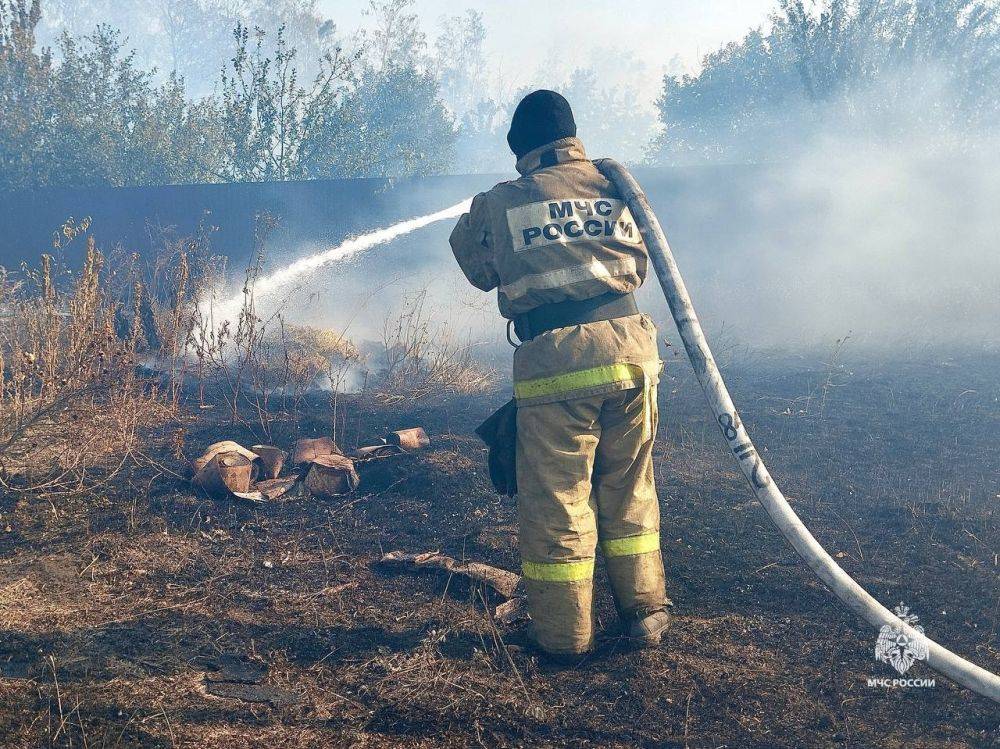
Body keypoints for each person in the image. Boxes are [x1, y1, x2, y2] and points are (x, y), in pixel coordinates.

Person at [449, 90, 670, 660]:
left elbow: (475, 265)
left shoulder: (503, 201)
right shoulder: (614, 183)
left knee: (560, 501)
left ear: (519, 149)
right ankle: (646, 614)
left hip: (559, 362)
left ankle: (563, 637)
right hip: (633, 349)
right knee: (629, 488)